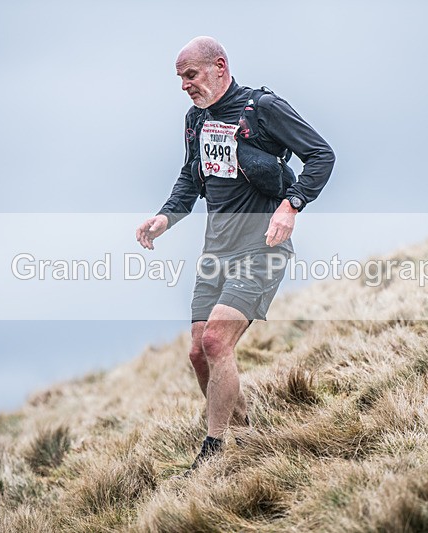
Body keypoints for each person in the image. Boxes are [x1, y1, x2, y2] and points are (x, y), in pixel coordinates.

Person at [135, 36, 334, 473]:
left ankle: (215, 450)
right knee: (197, 352)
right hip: (216, 249)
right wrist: (164, 218)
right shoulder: (195, 120)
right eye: (180, 78)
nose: (185, 85)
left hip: (261, 245)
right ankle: (244, 432)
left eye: (191, 75)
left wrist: (292, 203)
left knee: (215, 341)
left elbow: (321, 155)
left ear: (219, 66)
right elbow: (191, 179)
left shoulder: (262, 108)